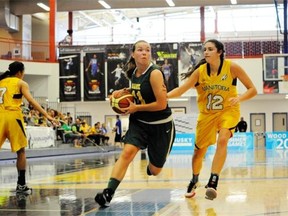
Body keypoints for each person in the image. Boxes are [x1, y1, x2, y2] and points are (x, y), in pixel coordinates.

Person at [167, 39, 257, 200]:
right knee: (198, 153)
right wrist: (163, 97)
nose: (206, 52)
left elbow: (253, 89)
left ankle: (213, 180)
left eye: (210, 49)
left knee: (223, 139)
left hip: (228, 112)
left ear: (219, 52)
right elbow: (181, 90)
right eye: (204, 49)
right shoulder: (200, 71)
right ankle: (194, 179)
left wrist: (239, 98)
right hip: (207, 115)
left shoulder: (232, 67)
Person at [95, 40, 176, 207]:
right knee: (127, 154)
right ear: (133, 54)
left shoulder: (155, 73)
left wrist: (135, 107)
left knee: (155, 171)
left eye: (147, 50)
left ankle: (152, 164)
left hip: (161, 124)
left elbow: (161, 104)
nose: (144, 52)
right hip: (139, 122)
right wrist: (123, 92)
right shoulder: (133, 73)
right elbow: (138, 90)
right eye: (140, 50)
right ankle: (108, 193)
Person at [0, 61, 57, 195]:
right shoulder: (21, 83)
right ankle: (21, 185)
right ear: (20, 72)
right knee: (21, 152)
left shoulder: (1, 82)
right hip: (13, 117)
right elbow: (31, 101)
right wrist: (47, 115)